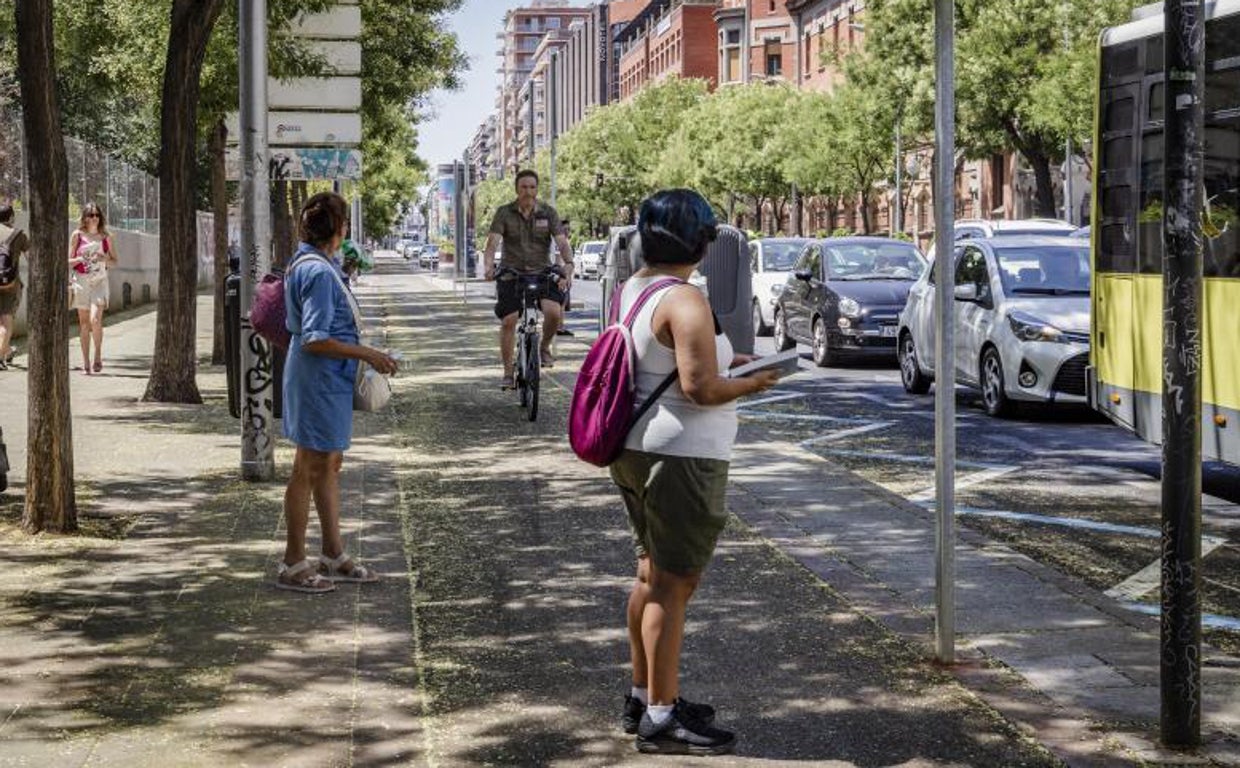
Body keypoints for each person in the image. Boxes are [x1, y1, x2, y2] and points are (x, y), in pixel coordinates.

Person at [610, 189, 779, 755]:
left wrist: (733, 361)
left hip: (636, 450)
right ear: (700, 242)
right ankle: (662, 716)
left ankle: (644, 695)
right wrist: (754, 382)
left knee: (649, 577)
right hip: (679, 458)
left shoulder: (636, 289)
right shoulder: (685, 300)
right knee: (673, 584)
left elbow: (671, 359)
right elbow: (700, 387)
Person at [277, 192, 398, 594]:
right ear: (340, 228)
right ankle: (294, 562)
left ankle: (332, 553)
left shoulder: (314, 263)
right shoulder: (319, 272)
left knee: (327, 463)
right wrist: (370, 354)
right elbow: (315, 338)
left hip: (325, 380)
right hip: (317, 379)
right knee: (307, 468)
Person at [482, 169, 573, 388]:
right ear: (517, 189)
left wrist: (568, 265)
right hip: (511, 274)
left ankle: (543, 348)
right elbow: (492, 242)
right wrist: (488, 267)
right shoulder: (504, 213)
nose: (528, 192)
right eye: (524, 187)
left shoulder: (548, 213)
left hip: (542, 272)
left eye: (532, 187)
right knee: (509, 321)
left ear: (536, 189)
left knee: (553, 312)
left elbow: (561, 242)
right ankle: (507, 372)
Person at [67, 203, 117, 374]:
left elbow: (115, 261)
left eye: (97, 215)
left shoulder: (106, 236)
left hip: (99, 280)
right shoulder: (77, 235)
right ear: (85, 217)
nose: (94, 218)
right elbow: (68, 260)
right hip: (81, 280)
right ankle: (86, 362)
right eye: (90, 215)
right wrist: (81, 258)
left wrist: (103, 258)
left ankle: (98, 355)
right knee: (84, 323)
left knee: (95, 319)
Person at [0, 204, 29, 371]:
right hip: (9, 283)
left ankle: (7, 351)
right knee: (5, 321)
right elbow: (32, 257)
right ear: (11, 217)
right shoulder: (18, 235)